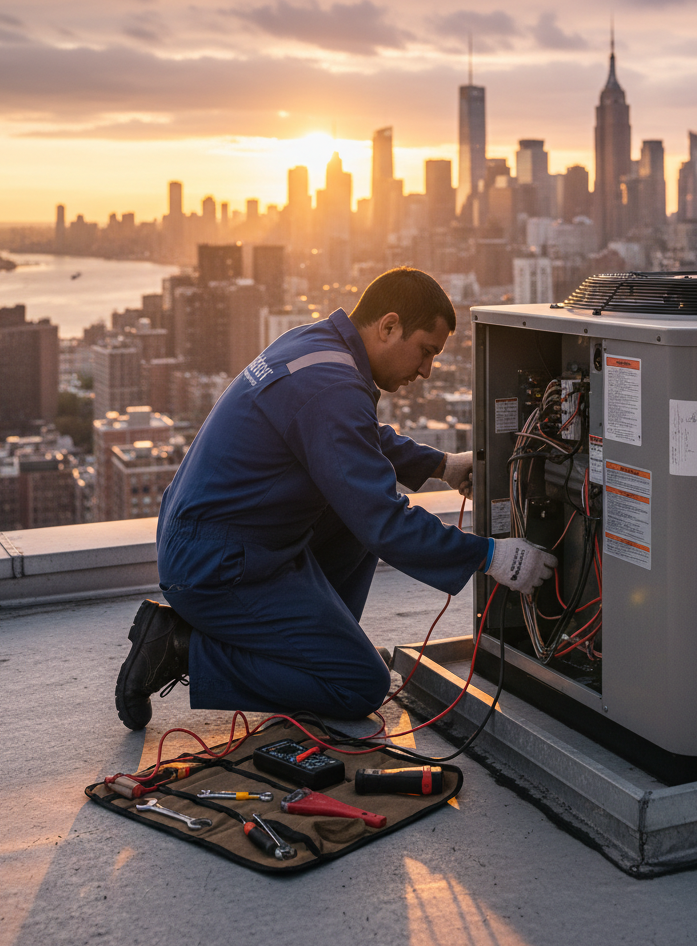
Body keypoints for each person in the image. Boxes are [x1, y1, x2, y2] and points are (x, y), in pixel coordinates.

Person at [115, 267, 556, 729]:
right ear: (389, 326)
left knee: (351, 515)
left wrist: (441, 464)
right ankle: (178, 646)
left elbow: (352, 437)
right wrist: (492, 556)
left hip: (219, 540)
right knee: (359, 685)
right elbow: (383, 520)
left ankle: (323, 651)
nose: (426, 370)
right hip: (215, 567)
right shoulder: (331, 385)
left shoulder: (316, 346)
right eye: (426, 351)